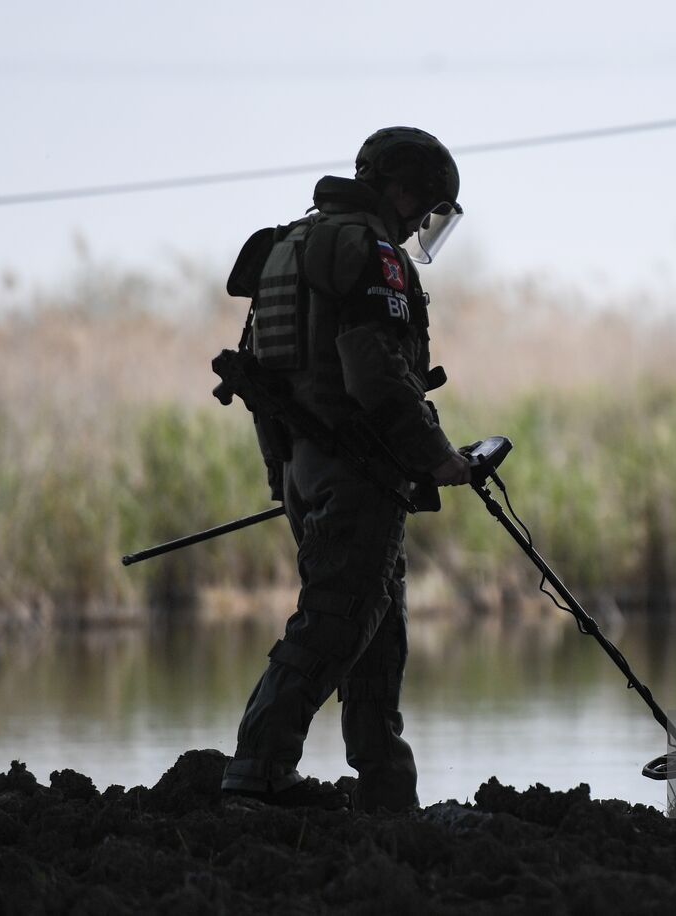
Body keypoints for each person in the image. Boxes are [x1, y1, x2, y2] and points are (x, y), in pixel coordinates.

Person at [219, 127, 471, 813]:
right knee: (335, 622)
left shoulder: (288, 246)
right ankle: (260, 768)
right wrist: (437, 457)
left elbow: (269, 381)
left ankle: (387, 789)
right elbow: (373, 372)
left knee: (374, 627)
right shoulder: (368, 250)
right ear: (401, 190)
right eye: (425, 207)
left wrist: (286, 479)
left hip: (310, 468)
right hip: (355, 472)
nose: (422, 223)